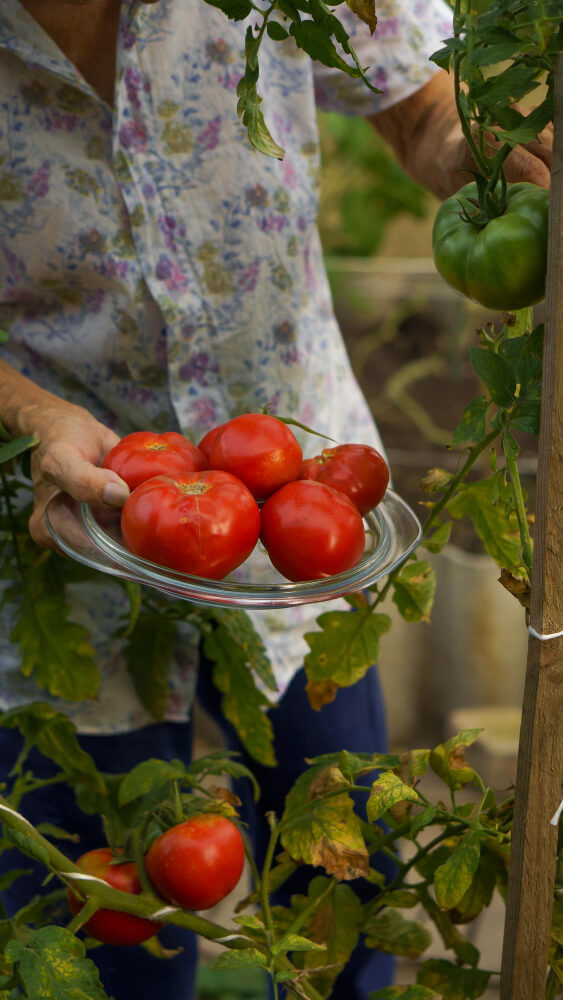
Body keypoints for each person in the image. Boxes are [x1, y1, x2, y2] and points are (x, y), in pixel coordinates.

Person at [0, 1, 552, 998]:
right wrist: (31, 416)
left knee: (340, 897)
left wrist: (488, 159)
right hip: (49, 525)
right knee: (103, 932)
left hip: (302, 514)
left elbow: (424, 108)